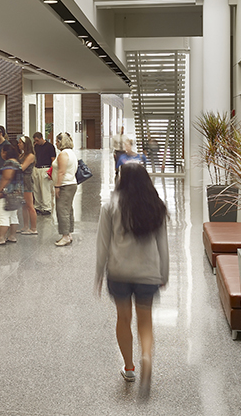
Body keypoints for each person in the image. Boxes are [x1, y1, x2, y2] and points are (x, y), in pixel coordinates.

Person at [95, 161, 170, 397]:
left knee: (123, 318)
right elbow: (163, 246)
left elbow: (103, 244)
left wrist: (98, 273)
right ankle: (146, 357)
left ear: (122, 179)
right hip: (148, 273)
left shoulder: (110, 206)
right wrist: (164, 273)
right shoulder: (156, 206)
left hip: (119, 272)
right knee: (145, 321)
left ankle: (129, 368)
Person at [0, 141, 22, 245]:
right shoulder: (17, 162)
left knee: (3, 215)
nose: (1, 154)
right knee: (13, 215)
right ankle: (12, 236)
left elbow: (6, 178)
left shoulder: (9, 163)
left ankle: (1, 238)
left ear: (6, 152)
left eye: (2, 152)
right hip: (16, 193)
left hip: (6, 193)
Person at [53, 132, 78, 247]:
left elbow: (61, 172)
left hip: (65, 185)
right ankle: (69, 233)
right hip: (71, 183)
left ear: (60, 142)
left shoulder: (63, 154)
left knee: (62, 210)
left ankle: (65, 236)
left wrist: (57, 186)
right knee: (68, 209)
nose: (55, 143)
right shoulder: (71, 153)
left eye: (57, 141)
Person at [16, 134, 38, 235]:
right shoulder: (22, 155)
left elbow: (22, 167)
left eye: (20, 142)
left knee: (30, 206)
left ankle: (33, 228)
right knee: (24, 206)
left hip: (26, 181)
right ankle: (25, 226)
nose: (18, 144)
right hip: (20, 181)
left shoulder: (30, 156)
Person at [32, 131, 56, 214]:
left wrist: (51, 172)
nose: (36, 142)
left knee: (45, 189)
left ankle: (47, 207)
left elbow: (53, 160)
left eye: (38, 140)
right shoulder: (36, 146)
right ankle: (37, 206)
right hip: (37, 168)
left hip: (45, 168)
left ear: (42, 138)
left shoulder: (50, 146)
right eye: (35, 141)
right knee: (36, 189)